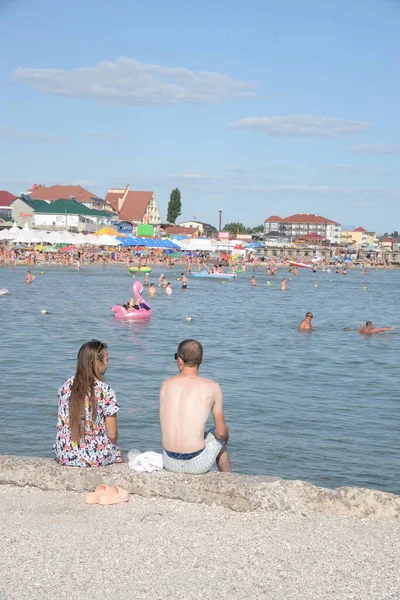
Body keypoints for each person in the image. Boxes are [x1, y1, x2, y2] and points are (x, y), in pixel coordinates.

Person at [160, 339, 231, 474]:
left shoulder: (166, 384)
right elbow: (221, 433)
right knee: (217, 433)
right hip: (196, 464)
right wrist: (226, 437)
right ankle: (229, 480)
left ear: (179, 360)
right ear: (202, 360)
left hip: (168, 461)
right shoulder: (212, 387)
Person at [53, 340, 122, 467]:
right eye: (107, 359)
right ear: (97, 363)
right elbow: (112, 435)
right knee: (116, 450)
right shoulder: (106, 391)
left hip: (64, 452)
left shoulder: (66, 386)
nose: (109, 363)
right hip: (93, 455)